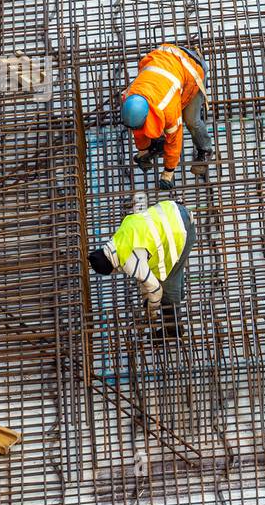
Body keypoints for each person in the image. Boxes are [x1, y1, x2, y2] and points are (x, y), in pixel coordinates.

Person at [87, 200, 196, 330]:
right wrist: (147, 299)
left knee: (166, 287)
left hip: (180, 232)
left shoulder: (128, 260)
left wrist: (151, 311)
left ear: (111, 269)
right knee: (172, 269)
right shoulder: (120, 238)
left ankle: (174, 329)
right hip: (175, 211)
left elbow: (155, 288)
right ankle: (179, 295)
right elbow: (144, 273)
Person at [119, 43, 214, 189]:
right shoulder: (130, 97)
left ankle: (205, 150)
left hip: (192, 69)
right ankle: (155, 146)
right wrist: (143, 150)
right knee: (153, 126)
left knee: (191, 120)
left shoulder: (167, 109)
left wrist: (168, 172)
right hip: (166, 60)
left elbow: (174, 141)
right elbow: (137, 129)